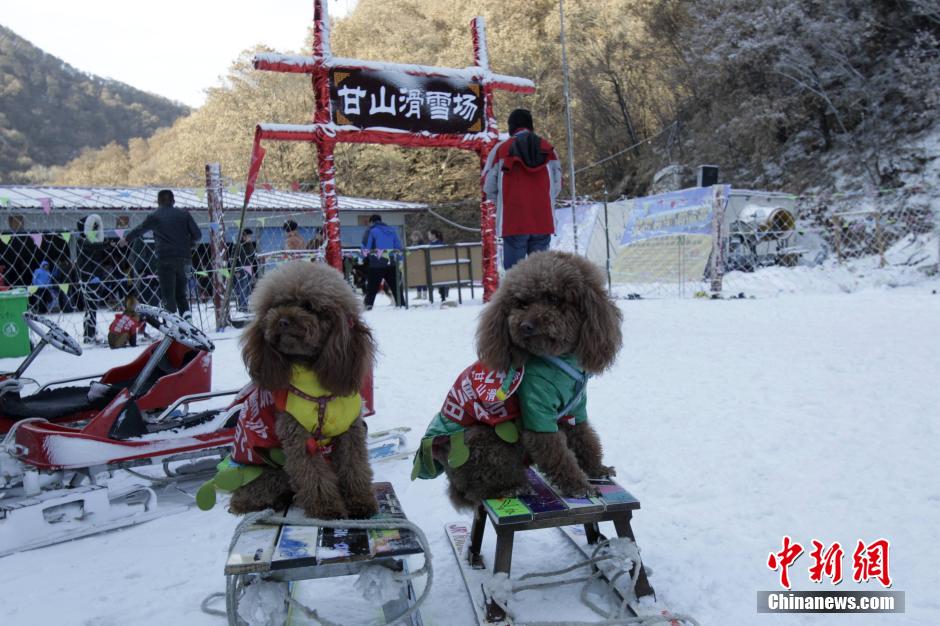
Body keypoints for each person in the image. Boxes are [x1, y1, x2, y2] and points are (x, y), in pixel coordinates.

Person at [482, 108, 562, 270]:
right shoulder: (548, 149)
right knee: (540, 275)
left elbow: (488, 187)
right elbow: (557, 185)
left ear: (511, 127)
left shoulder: (501, 149)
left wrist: (503, 200)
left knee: (515, 276)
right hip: (543, 220)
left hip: (513, 221)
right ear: (530, 125)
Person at [119, 190, 200, 321]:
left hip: (165, 259)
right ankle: (187, 317)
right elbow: (198, 235)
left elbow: (140, 229)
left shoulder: (155, 216)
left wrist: (126, 239)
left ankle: (171, 323)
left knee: (168, 294)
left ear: (158, 201)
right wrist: (187, 244)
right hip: (184, 259)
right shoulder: (184, 214)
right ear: (173, 201)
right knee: (181, 294)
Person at [362, 214, 403, 310]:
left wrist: (364, 257)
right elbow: (398, 246)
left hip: (376, 263)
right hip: (391, 262)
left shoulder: (371, 230)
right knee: (395, 286)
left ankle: (368, 305)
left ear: (371, 222)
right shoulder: (391, 230)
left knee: (372, 287)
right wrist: (400, 259)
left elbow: (365, 246)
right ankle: (402, 304)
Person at [232, 229, 258, 312]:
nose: (250, 238)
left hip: (248, 269)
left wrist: (254, 272)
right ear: (243, 236)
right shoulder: (238, 245)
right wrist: (236, 271)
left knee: (247, 289)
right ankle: (242, 307)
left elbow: (253, 259)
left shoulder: (250, 245)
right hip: (240, 270)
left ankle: (244, 306)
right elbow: (233, 259)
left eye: (250, 236)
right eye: (248, 236)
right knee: (241, 289)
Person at [427, 229, 451, 304]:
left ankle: (443, 296)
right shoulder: (430, 243)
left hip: (439, 264)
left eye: (429, 235)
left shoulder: (440, 243)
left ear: (434, 235)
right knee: (434, 281)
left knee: (441, 281)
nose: (428, 236)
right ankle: (434, 297)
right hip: (432, 264)